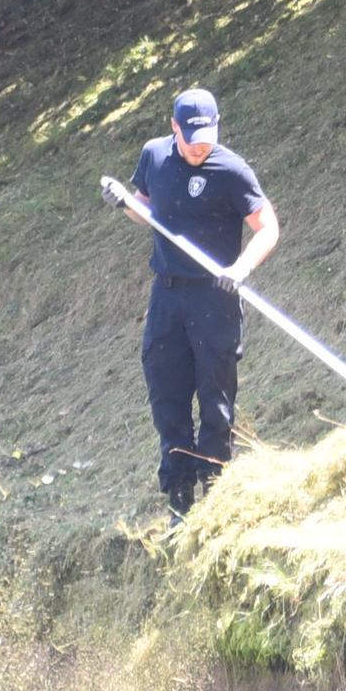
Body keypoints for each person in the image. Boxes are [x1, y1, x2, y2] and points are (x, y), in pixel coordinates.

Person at [111, 86, 279, 517]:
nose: (200, 147)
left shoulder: (232, 170)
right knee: (167, 394)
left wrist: (240, 269)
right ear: (174, 129)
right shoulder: (154, 156)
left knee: (215, 398)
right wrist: (126, 202)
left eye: (208, 137)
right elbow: (146, 210)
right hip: (168, 294)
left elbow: (267, 228)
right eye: (192, 139)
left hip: (215, 296)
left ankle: (216, 491)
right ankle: (180, 498)